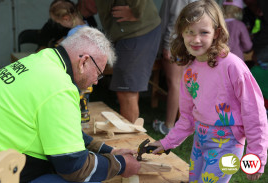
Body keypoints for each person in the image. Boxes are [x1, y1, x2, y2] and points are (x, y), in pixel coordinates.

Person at [0, 27, 140, 183]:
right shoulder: (60, 88)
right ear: (84, 62)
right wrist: (121, 165)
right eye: (98, 73)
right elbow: (74, 167)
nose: (96, 81)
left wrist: (110, 151)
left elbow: (63, 132)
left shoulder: (41, 59)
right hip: (1, 172)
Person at [149, 0, 268, 182]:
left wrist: (256, 155)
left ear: (216, 33)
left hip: (229, 144)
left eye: (204, 32)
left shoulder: (233, 66)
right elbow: (187, 117)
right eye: (190, 32)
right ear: (181, 34)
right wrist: (166, 143)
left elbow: (255, 112)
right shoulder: (190, 71)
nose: (196, 39)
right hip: (200, 140)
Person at [86, 0, 161, 123]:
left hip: (135, 31)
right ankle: (131, 133)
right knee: (125, 90)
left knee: (126, 91)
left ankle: (131, 138)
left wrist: (137, 12)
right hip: (125, 32)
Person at [153, 0, 197, 135]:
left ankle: (169, 125)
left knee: (175, 84)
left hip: (177, 44)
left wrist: (167, 46)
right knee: (183, 84)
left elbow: (176, 21)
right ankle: (185, 124)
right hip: (186, 42)